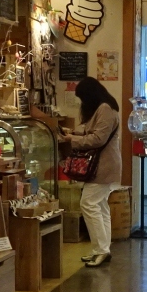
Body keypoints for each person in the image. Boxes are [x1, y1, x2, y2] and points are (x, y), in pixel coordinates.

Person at [59, 77, 120, 268]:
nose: (82, 103)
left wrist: (72, 139)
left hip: (103, 166)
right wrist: (74, 134)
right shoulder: (105, 107)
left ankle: (101, 250)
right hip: (104, 165)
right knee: (100, 206)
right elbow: (94, 133)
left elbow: (98, 139)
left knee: (88, 203)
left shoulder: (105, 109)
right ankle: (102, 249)